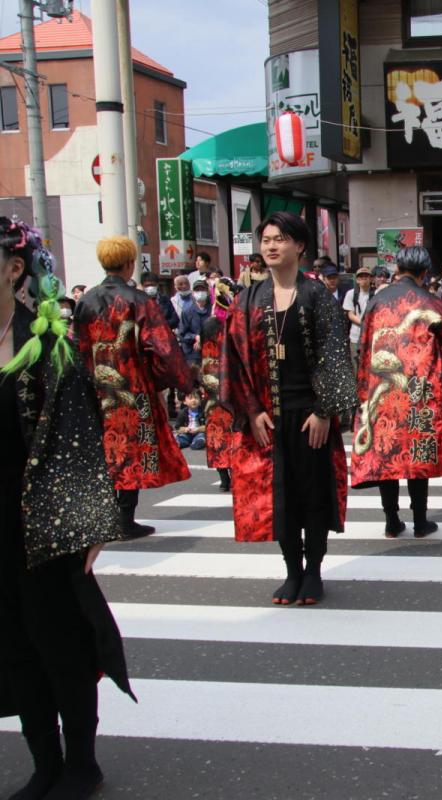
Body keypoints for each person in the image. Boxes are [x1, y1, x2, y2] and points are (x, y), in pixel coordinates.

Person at [1, 218, 134, 800]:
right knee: (13, 647)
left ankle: (82, 760)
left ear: (13, 269)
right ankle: (44, 763)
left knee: (57, 641)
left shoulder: (49, 344)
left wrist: (86, 523)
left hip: (43, 520)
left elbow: (81, 435)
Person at [222, 212, 357, 605]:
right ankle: (291, 572)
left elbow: (335, 356)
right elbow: (231, 356)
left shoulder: (317, 296)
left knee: (313, 495)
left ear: (299, 246)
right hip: (266, 417)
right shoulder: (248, 298)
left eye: (280, 238)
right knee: (278, 497)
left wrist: (324, 410)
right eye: (266, 239)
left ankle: (313, 572)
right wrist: (250, 409)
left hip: (309, 415)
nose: (271, 246)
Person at [350, 246, 442, 539]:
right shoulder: (431, 302)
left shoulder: (377, 301)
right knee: (417, 455)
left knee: (387, 452)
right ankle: (420, 521)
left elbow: (364, 347)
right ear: (424, 273)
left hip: (382, 388)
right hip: (421, 390)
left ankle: (391, 521)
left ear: (397, 270)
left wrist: (363, 389)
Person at [75, 236, 193, 541]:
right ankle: (125, 519)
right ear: (130, 264)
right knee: (132, 451)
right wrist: (175, 382)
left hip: (96, 388)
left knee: (104, 450)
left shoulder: (85, 300)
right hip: (133, 386)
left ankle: (105, 517)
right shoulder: (140, 300)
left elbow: (75, 346)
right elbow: (164, 348)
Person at [200, 280, 235, 492]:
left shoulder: (209, 325)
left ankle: (223, 479)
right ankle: (236, 473)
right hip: (232, 380)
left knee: (217, 430)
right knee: (235, 427)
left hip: (211, 382)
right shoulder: (237, 322)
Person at [344, 265, 376, 366]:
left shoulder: (377, 293)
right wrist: (365, 323)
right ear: (357, 279)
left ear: (371, 278)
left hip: (372, 336)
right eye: (360, 277)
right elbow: (351, 314)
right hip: (355, 336)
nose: (363, 278)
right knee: (356, 366)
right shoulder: (351, 294)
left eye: (366, 276)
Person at [179, 279, 212, 366]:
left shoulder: (213, 311)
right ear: (193, 293)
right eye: (197, 290)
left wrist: (203, 340)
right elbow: (182, 334)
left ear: (208, 292)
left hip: (211, 351)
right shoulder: (187, 312)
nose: (200, 292)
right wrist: (195, 337)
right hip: (192, 353)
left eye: (203, 290)